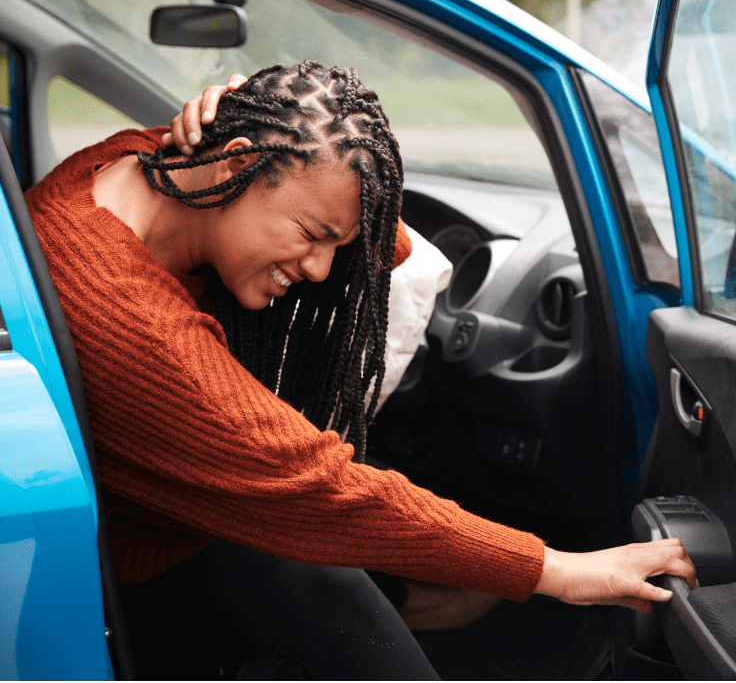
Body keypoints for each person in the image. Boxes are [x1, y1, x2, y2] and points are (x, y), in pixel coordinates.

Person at [26, 62, 696, 679]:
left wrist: (248, 129)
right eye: (311, 233)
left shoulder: (138, 161)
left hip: (178, 520)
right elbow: (320, 486)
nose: (320, 268)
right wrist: (561, 572)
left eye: (331, 244)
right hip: (142, 568)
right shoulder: (132, 325)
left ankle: (434, 596)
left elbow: (383, 241)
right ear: (235, 161)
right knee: (346, 596)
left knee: (379, 589)